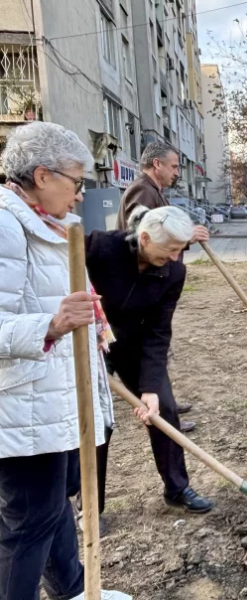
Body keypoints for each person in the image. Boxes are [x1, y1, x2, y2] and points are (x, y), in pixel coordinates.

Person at [0, 122, 133, 599]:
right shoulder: (5, 226)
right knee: (28, 524)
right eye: (77, 183)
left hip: (47, 403)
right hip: (19, 410)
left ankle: (75, 589)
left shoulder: (45, 225)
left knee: (54, 507)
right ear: (42, 175)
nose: (80, 196)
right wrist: (51, 325)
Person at [86, 205, 213, 516]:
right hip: (87, 341)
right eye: (169, 249)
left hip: (131, 345)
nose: (173, 257)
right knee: (96, 422)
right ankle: (90, 507)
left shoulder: (173, 272)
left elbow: (158, 331)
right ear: (144, 238)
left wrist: (151, 388)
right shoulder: (99, 248)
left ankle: (177, 487)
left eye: (179, 250)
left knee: (165, 408)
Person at [117, 140, 209, 430]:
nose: (176, 173)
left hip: (153, 284)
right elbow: (141, 233)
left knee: (158, 345)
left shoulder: (154, 191)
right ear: (156, 164)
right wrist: (184, 236)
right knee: (146, 347)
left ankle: (163, 399)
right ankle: (162, 409)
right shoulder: (141, 190)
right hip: (141, 286)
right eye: (173, 166)